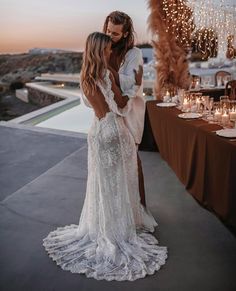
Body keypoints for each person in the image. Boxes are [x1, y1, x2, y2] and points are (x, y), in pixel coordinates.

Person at [43, 32, 167, 281]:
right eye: (108, 49)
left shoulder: (85, 78)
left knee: (102, 185)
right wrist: (134, 87)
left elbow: (96, 108)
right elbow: (120, 105)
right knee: (121, 182)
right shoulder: (108, 74)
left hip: (98, 133)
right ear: (100, 50)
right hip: (116, 131)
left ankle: (105, 227)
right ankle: (120, 230)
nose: (111, 52)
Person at [103, 11, 147, 207]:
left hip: (128, 112)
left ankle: (138, 209)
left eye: (115, 34)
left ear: (126, 34)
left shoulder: (134, 54)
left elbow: (132, 84)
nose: (109, 36)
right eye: (108, 31)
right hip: (107, 113)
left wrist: (106, 70)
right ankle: (116, 210)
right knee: (111, 165)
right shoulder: (102, 49)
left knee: (131, 162)